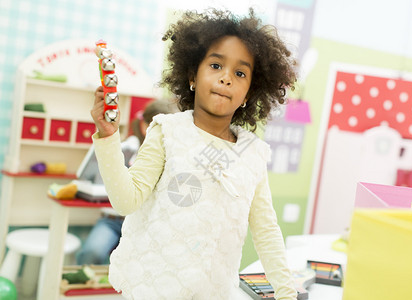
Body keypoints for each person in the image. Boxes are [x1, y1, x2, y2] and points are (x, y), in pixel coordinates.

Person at [90, 8, 298, 300]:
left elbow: (266, 232)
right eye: (216, 66)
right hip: (152, 290)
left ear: (249, 93)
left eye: (240, 73)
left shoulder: (252, 154)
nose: (226, 78)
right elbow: (126, 200)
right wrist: (109, 137)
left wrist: (287, 293)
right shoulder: (167, 131)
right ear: (192, 75)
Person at [76, 100, 173, 265]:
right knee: (92, 253)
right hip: (114, 220)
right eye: (156, 126)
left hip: (146, 224)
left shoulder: (170, 156)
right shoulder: (128, 148)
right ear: (144, 126)